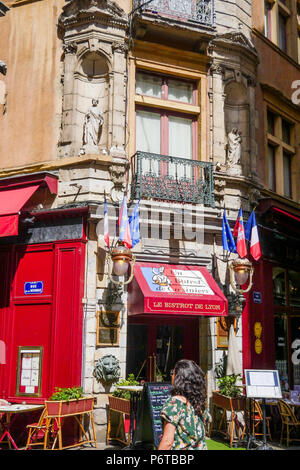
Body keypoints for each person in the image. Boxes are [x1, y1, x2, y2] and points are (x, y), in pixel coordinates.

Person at [158, 359, 211, 450]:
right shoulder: (197, 402)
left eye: (173, 373)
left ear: (179, 378)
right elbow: (208, 419)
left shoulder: (174, 404)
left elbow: (167, 442)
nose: (171, 376)